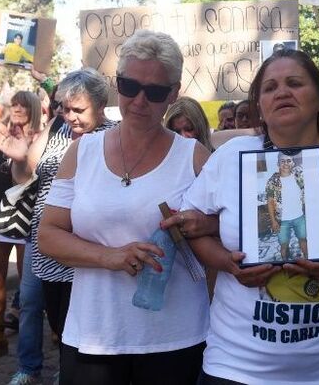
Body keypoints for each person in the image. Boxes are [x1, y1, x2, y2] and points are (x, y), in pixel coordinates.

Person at [173, 48, 319, 384]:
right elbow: (194, 227)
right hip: (235, 366)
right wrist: (227, 262)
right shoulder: (230, 158)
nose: (281, 92)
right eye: (269, 88)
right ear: (260, 106)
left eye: (294, 83)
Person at [38, 30, 211, 384]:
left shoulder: (194, 158)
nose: (139, 101)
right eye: (129, 86)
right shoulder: (82, 152)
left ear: (174, 94)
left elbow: (227, 232)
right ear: (117, 83)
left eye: (155, 92)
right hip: (93, 333)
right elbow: (48, 235)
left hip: (173, 336)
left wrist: (204, 225)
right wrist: (110, 256)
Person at [0, 69, 115, 385]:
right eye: (65, 107)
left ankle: (72, 368)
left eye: (79, 110)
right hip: (44, 238)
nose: (70, 116)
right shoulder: (58, 128)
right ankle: (31, 367)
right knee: (38, 304)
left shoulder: (114, 134)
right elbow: (26, 177)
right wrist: (19, 159)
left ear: (100, 105)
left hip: (87, 241)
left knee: (80, 314)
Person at [0, 91, 42, 364]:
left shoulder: (42, 137)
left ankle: (34, 351)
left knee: (29, 289)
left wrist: (24, 151)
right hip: (4, 212)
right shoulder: (0, 132)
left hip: (31, 214)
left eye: (23, 104)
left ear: (33, 109)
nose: (17, 108)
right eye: (14, 104)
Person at [266, 151, 307, 261]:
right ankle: (285, 265)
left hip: (299, 217)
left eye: (289, 160)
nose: (286, 163)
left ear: (292, 162)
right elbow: (270, 202)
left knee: (303, 240)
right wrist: (273, 221)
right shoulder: (272, 181)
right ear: (278, 163)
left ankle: (308, 261)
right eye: (282, 161)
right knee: (284, 245)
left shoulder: (299, 176)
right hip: (282, 220)